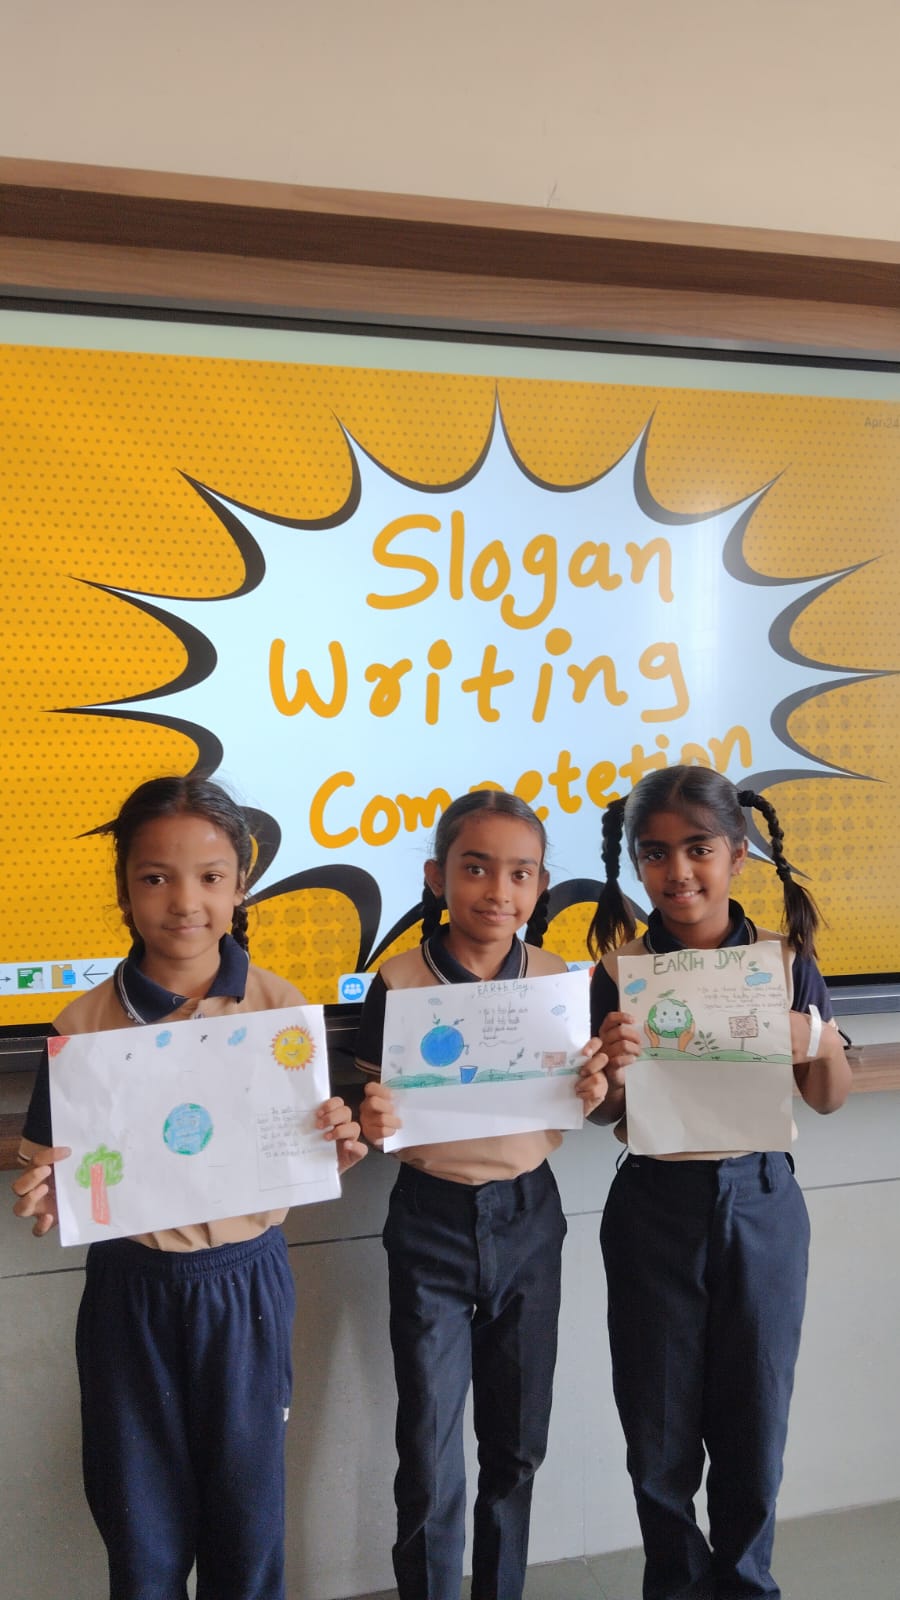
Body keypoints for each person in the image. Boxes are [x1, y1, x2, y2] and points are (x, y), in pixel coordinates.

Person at [11, 775, 366, 1600]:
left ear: (241, 885)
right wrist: (46, 1193)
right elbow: (51, 1175)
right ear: (124, 891)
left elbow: (299, 1147)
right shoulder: (79, 1029)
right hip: (129, 1291)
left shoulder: (280, 1011)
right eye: (155, 877)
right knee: (141, 1528)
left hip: (244, 1287)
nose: (184, 902)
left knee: (248, 1524)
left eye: (210, 876)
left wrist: (334, 1148)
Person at [587, 765, 852, 1600]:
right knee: (658, 1428)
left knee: (755, 1420)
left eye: (699, 849)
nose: (678, 872)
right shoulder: (620, 969)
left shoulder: (783, 959)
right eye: (655, 853)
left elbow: (828, 1097)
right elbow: (605, 1113)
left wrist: (814, 1037)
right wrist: (609, 1073)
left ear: (737, 855)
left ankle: (746, 1583)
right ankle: (674, 1582)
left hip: (762, 1198)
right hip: (654, 1203)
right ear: (635, 863)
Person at [356, 789, 607, 1600]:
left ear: (540, 887)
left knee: (517, 1444)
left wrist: (595, 1085)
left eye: (520, 873)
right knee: (429, 1449)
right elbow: (367, 1112)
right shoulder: (397, 982)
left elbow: (583, 1093)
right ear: (437, 877)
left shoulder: (559, 981)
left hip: (530, 1215)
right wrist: (370, 1117)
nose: (498, 891)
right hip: (429, 1218)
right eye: (475, 869)